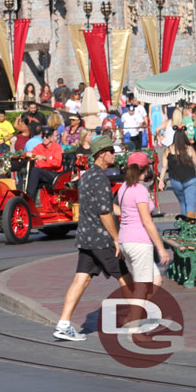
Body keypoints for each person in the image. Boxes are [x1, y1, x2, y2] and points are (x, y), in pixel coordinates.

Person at [53, 135, 131, 342]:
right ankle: (137, 323)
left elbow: (96, 205)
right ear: (102, 154)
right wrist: (116, 238)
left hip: (85, 237)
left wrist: (126, 210)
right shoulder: (101, 179)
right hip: (101, 239)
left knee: (82, 278)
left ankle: (63, 323)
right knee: (126, 279)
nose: (114, 155)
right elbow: (104, 212)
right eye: (111, 152)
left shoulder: (86, 176)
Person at [115, 162, 170, 328]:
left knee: (156, 280)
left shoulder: (124, 187)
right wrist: (161, 248)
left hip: (127, 239)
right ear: (144, 170)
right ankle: (134, 325)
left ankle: (134, 312)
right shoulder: (139, 190)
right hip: (139, 241)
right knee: (142, 286)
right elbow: (147, 221)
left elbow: (116, 208)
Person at [160, 129, 196, 218]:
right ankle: (191, 226)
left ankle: (185, 225)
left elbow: (164, 167)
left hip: (176, 181)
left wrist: (161, 181)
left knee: (182, 203)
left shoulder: (168, 150)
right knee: (190, 204)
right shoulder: (189, 148)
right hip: (190, 179)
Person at [26, 127, 63, 201]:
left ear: (51, 138)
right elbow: (29, 153)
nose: (44, 138)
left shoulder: (57, 147)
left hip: (55, 174)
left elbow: (57, 163)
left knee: (36, 170)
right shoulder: (40, 147)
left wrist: (45, 159)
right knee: (27, 170)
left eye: (47, 136)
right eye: (43, 137)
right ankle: (25, 194)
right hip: (43, 172)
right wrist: (28, 154)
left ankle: (29, 197)